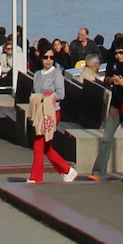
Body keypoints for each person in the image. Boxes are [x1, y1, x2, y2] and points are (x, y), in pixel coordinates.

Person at [26, 49, 78, 184]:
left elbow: (61, 94)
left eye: (51, 57)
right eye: (46, 57)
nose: (48, 60)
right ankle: (67, 170)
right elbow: (33, 92)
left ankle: (35, 178)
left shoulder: (56, 74)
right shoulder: (37, 74)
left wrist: (47, 96)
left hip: (52, 113)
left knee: (38, 144)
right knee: (46, 147)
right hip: (39, 113)